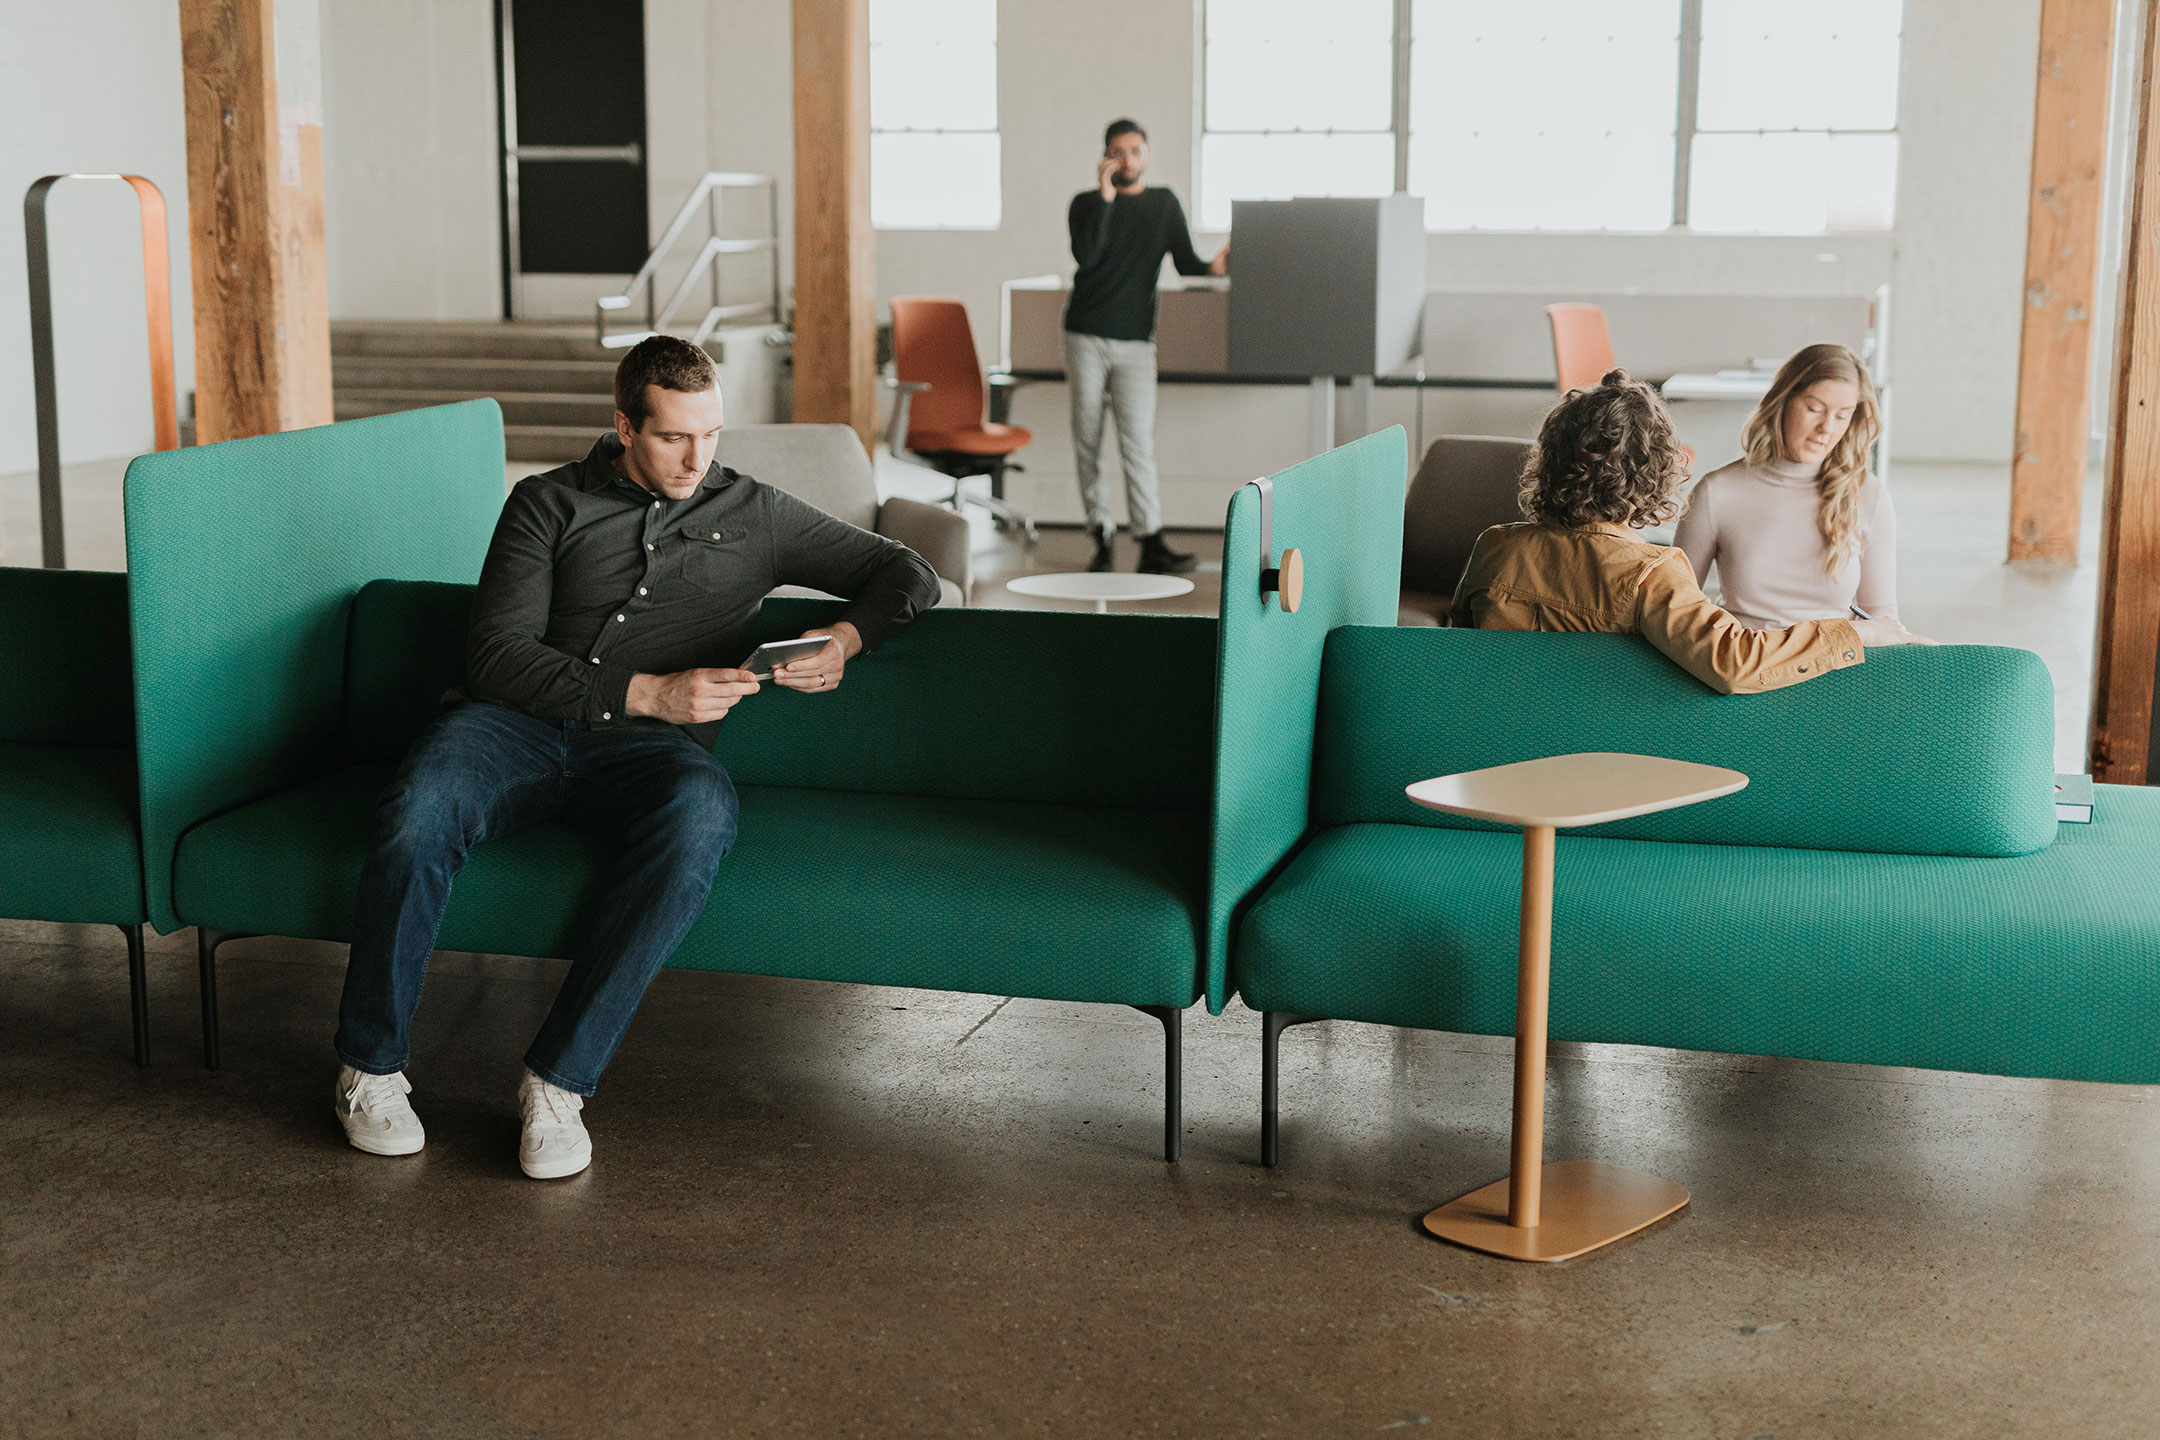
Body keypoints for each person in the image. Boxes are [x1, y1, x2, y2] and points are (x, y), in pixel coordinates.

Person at [331, 335, 940, 1179]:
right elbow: (498, 658)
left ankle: (557, 1084)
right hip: (508, 727)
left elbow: (907, 572)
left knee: (702, 815)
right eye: (673, 437)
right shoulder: (544, 503)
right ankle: (370, 1068)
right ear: (625, 425)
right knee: (417, 810)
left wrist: (844, 638)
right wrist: (647, 690)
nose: (699, 459)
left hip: (652, 757)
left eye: (713, 435)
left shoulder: (755, 512)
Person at [1452, 369, 1926, 693]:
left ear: (1549, 460)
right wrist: (1855, 635)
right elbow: (1737, 662)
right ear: (1654, 476)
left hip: (1499, 737)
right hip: (1605, 750)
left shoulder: (1495, 547)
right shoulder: (1650, 575)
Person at [1063, 117, 1228, 575]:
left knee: (1137, 440)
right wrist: (1105, 199)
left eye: (1135, 151)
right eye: (1118, 152)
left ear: (1147, 154)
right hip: (1086, 334)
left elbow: (1186, 262)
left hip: (1136, 342)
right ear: (1105, 157)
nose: (1127, 160)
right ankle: (1100, 532)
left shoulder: (1163, 205)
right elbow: (1088, 256)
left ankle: (1150, 538)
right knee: (1088, 437)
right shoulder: (1085, 204)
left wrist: (1214, 267)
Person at [1675, 344, 1911, 632]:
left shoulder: (1869, 495)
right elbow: (1678, 612)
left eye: (1842, 415)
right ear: (1783, 400)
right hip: (1747, 667)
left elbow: (1882, 620)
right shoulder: (1716, 492)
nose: (1827, 428)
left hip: (1833, 665)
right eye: (1815, 409)